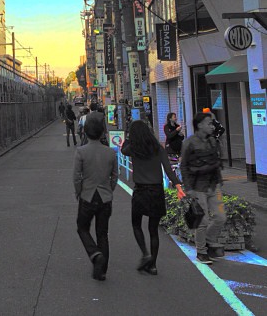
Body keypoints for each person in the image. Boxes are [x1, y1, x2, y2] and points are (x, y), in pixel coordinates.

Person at [121, 121, 185, 275]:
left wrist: (129, 137)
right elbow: (169, 170)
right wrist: (178, 186)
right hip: (156, 191)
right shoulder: (158, 148)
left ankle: (145, 253)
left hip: (140, 190)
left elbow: (123, 149)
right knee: (153, 229)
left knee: (136, 224)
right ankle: (153, 265)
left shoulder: (133, 149)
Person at [73, 112, 119, 281]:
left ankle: (95, 254)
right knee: (102, 233)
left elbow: (77, 176)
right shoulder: (111, 153)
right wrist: (109, 190)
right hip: (105, 197)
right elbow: (115, 176)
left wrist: (79, 191)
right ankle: (102, 270)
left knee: (82, 227)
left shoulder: (81, 152)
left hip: (88, 195)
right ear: (102, 133)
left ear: (85, 132)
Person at [180, 113, 227, 264]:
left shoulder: (213, 141)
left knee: (220, 217)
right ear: (200, 125)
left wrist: (219, 181)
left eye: (212, 124)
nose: (211, 126)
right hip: (198, 186)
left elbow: (216, 161)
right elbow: (184, 166)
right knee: (203, 220)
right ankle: (201, 251)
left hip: (213, 185)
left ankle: (208, 240)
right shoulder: (189, 143)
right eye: (208, 123)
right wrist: (188, 188)